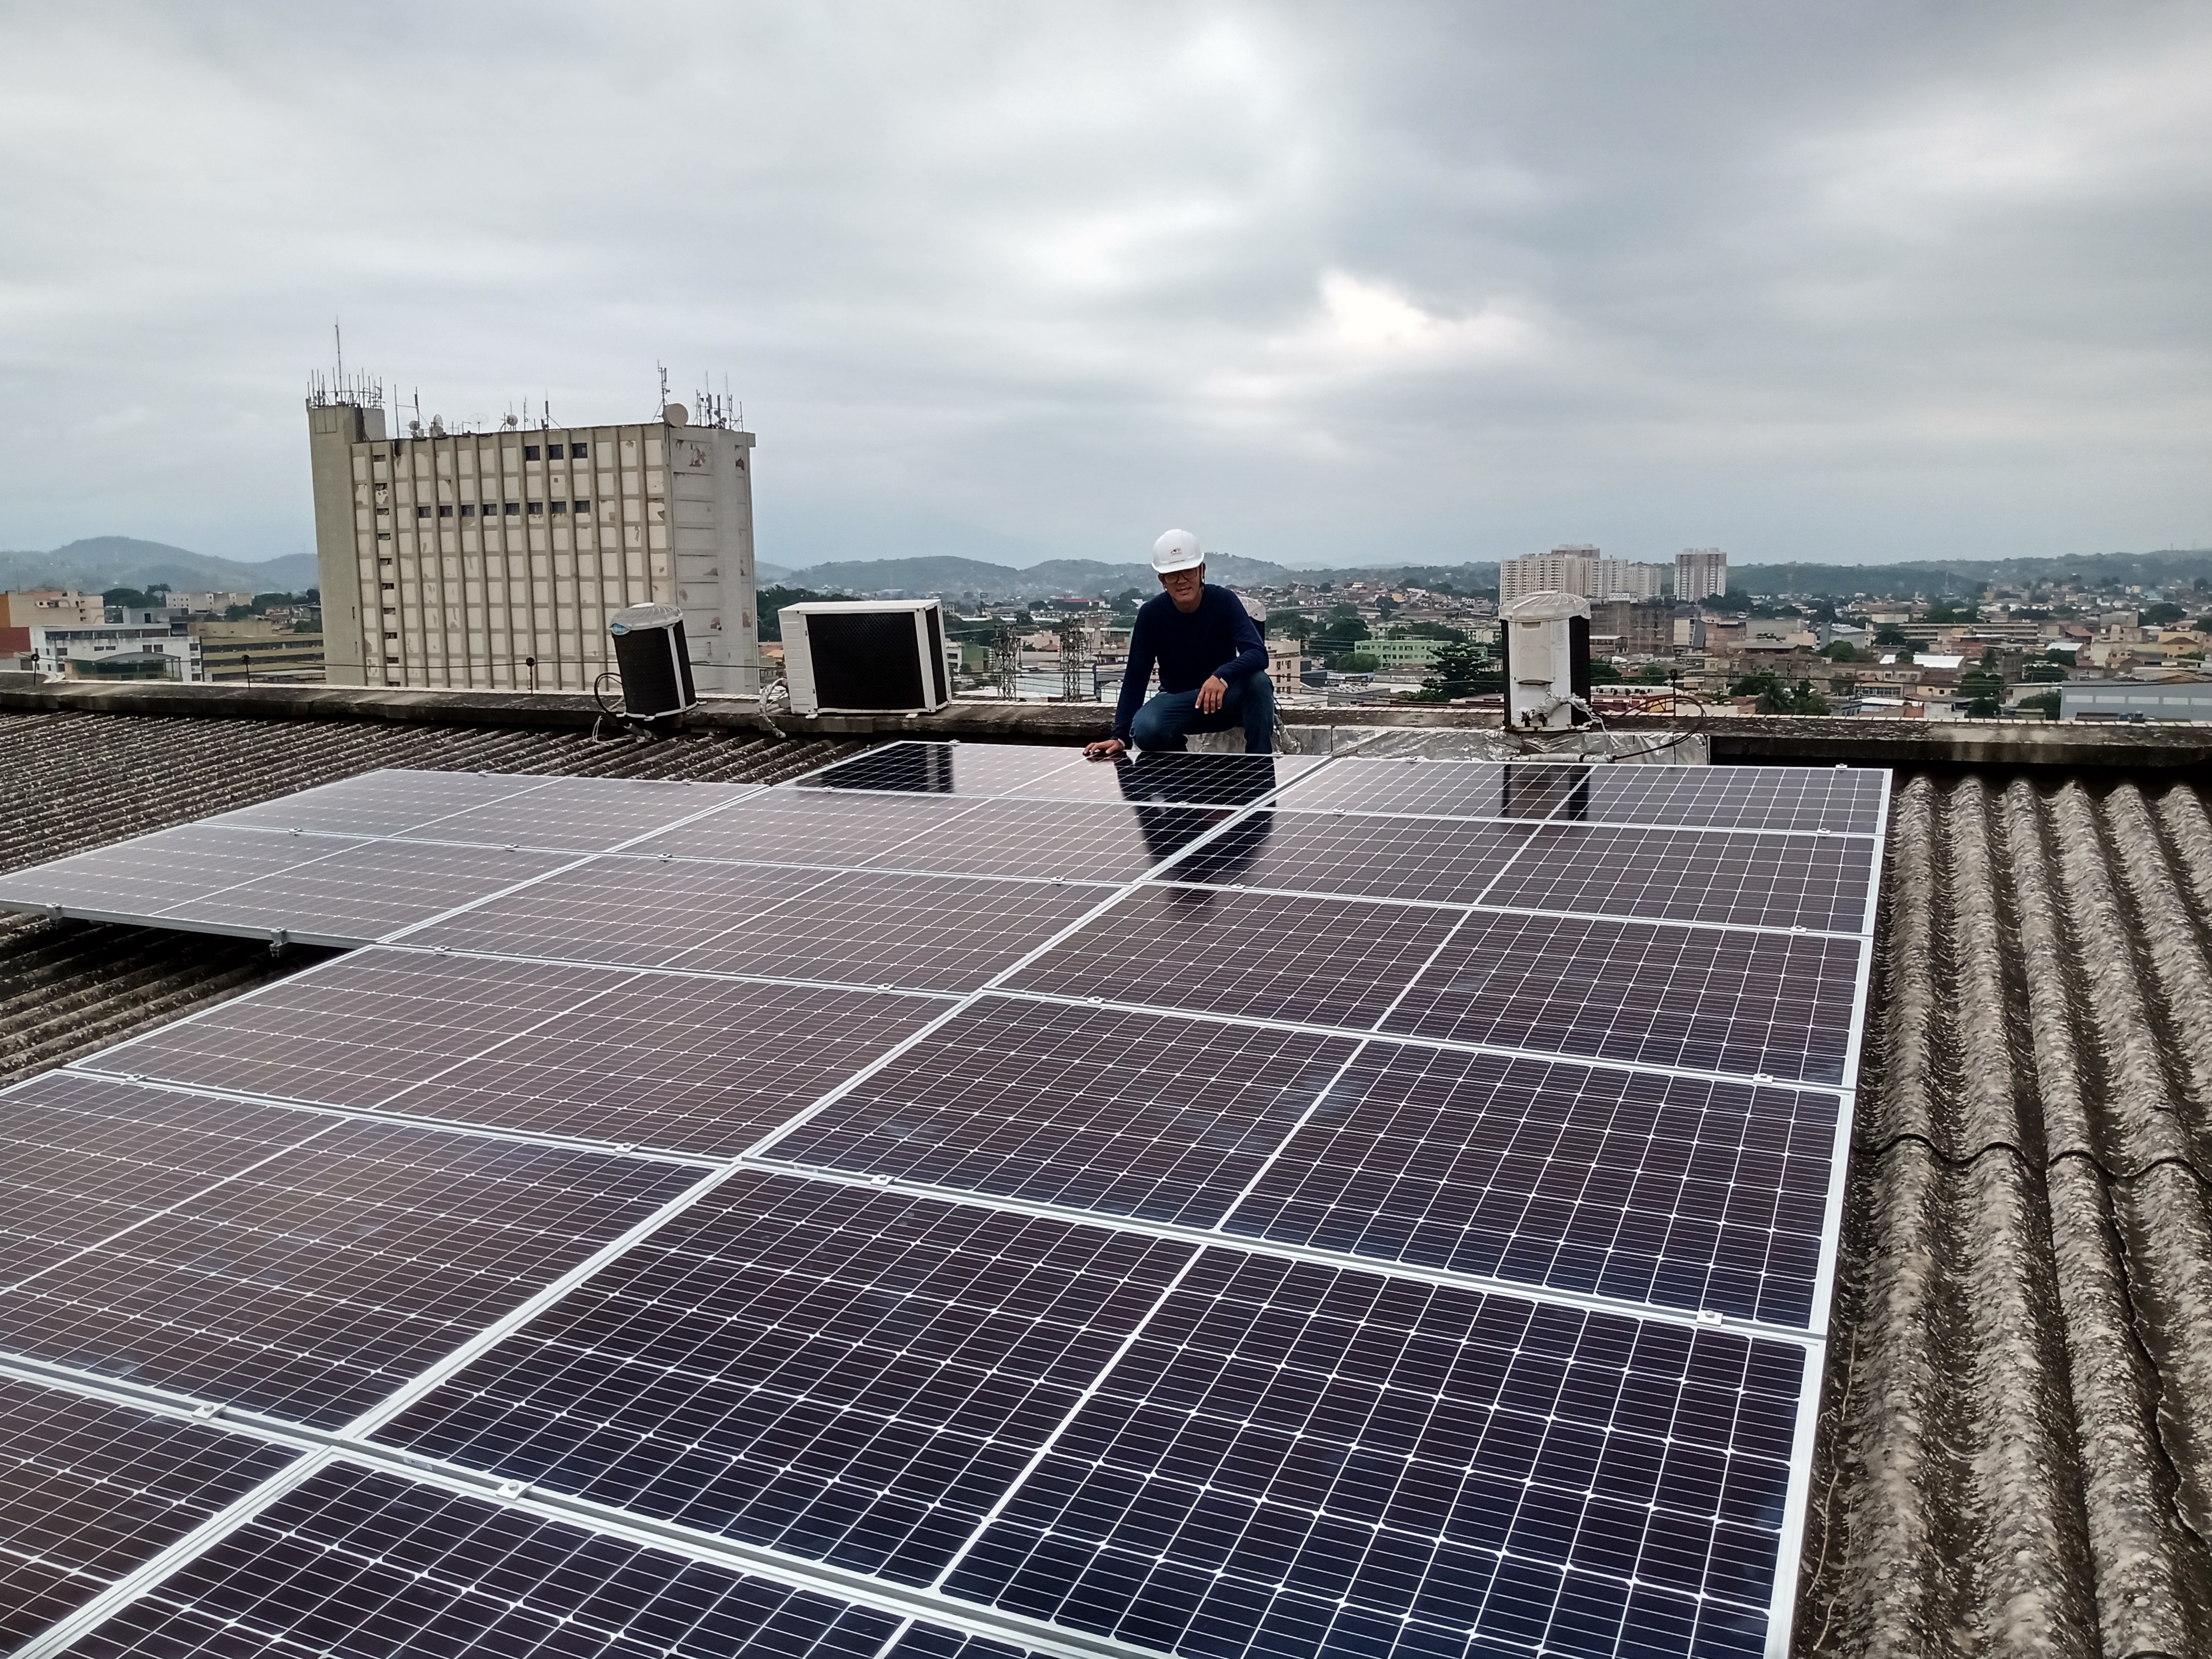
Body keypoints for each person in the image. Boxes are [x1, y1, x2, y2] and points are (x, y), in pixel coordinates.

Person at [1085, 529, 1275, 758]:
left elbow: (1257, 653)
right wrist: (1120, 737)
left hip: (1225, 700)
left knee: (1258, 681)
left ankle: (1259, 765)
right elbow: (1136, 678)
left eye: (1188, 572)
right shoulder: (1151, 614)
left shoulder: (1224, 601)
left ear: (1202, 570)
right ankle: (1183, 773)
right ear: (1162, 579)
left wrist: (1222, 676)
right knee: (1146, 728)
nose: (1182, 581)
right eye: (1173, 574)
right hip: (1180, 702)